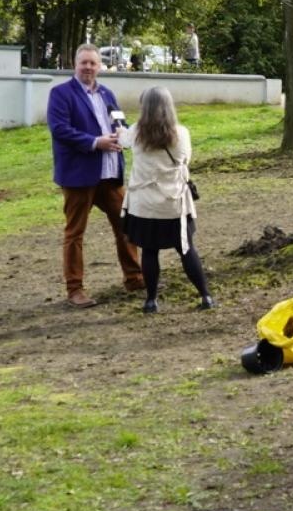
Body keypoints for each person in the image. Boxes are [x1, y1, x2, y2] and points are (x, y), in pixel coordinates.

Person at [46, 44, 144, 308]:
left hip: (110, 173)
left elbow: (120, 123)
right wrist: (95, 142)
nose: (88, 67)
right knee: (75, 233)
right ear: (74, 65)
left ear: (100, 66)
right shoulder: (61, 94)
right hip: (79, 175)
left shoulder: (108, 94)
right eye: (84, 63)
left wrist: (122, 135)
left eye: (93, 63)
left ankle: (134, 278)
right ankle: (75, 289)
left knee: (126, 225)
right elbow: (60, 130)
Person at [121, 87, 214, 313]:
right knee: (186, 250)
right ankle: (205, 296)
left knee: (149, 252)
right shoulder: (181, 133)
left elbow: (122, 141)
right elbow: (186, 159)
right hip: (173, 204)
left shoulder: (135, 132)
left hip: (145, 205)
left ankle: (151, 300)